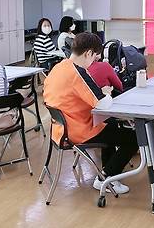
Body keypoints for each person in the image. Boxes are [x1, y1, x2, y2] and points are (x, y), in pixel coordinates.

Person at [43, 32, 138, 194]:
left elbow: (75, 94)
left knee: (111, 124)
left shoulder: (59, 68)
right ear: (88, 53)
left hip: (60, 129)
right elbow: (103, 103)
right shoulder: (78, 73)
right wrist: (107, 93)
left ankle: (107, 172)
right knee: (132, 138)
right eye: (95, 57)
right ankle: (105, 178)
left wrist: (99, 93)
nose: (95, 61)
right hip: (79, 130)